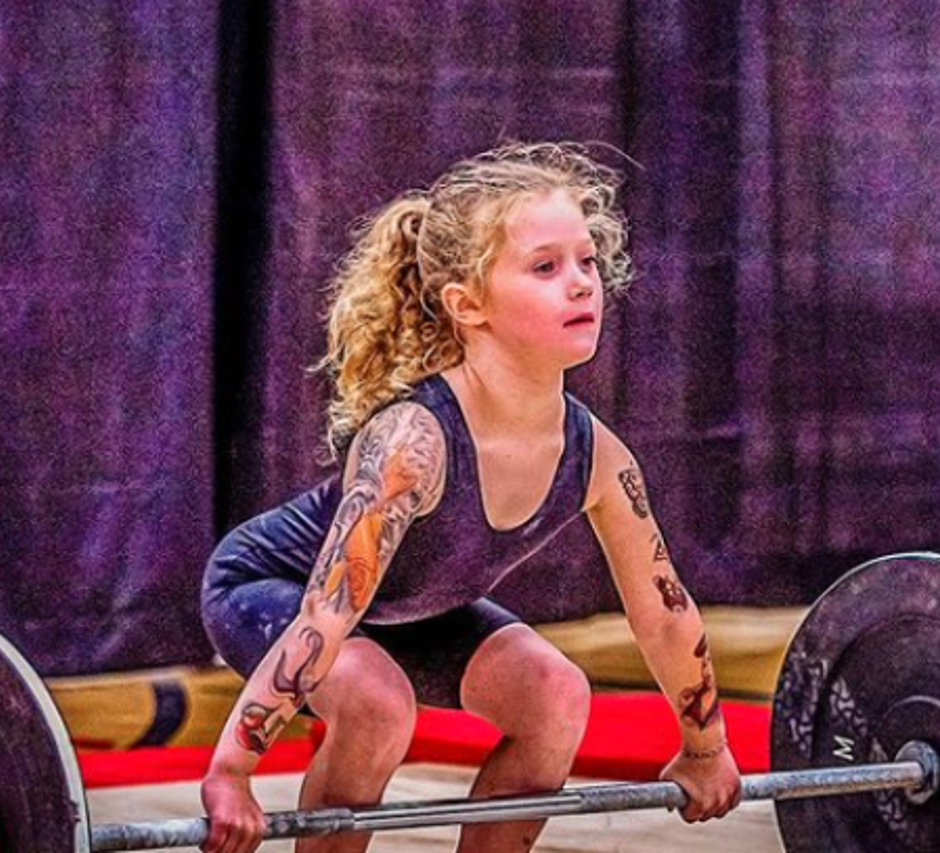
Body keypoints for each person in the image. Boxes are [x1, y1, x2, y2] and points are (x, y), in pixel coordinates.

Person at [199, 142, 742, 853]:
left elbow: (663, 617)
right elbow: (328, 613)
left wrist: (705, 749)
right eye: (545, 267)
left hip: (403, 610)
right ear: (467, 304)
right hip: (274, 589)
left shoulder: (600, 459)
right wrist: (232, 771)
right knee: (375, 703)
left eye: (586, 261)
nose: (582, 284)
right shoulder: (412, 445)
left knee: (555, 695)